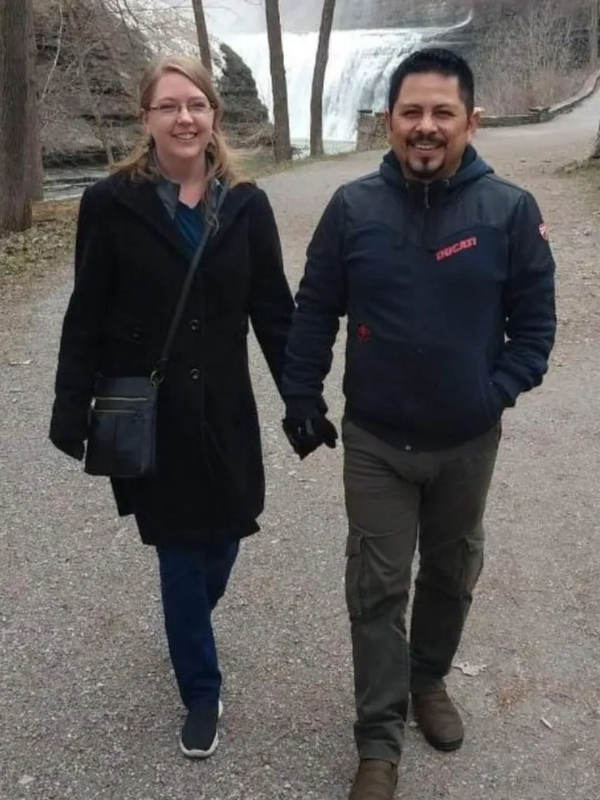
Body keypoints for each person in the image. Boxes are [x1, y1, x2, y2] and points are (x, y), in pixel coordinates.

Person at [281, 48, 556, 800]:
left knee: (451, 569)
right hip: (376, 440)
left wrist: (491, 395)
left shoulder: (509, 211)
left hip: (467, 442)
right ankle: (377, 742)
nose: (425, 126)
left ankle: (426, 680)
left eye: (442, 112)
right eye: (411, 112)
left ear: (471, 121)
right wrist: (301, 395)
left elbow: (535, 328)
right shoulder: (352, 209)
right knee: (375, 586)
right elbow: (315, 309)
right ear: (389, 122)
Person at [49, 55, 299, 760]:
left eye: (196, 104)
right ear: (147, 118)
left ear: (214, 114)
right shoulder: (110, 203)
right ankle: (200, 689)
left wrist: (302, 399)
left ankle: (187, 621)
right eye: (169, 106)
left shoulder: (245, 204)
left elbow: (273, 313)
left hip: (225, 409)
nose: (184, 118)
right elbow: (86, 311)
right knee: (181, 552)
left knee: (226, 536)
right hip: (151, 412)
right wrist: (71, 407)